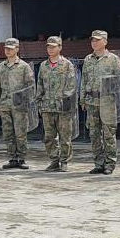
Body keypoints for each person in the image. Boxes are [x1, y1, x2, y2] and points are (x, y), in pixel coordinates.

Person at [81, 30, 120, 175]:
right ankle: (98, 163)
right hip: (92, 101)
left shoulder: (113, 59)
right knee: (94, 134)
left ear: (105, 42)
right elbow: (84, 80)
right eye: (93, 40)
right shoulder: (88, 59)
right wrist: (83, 99)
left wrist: (117, 100)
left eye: (97, 40)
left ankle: (110, 163)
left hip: (107, 102)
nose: (94, 43)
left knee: (108, 134)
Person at [36, 36, 78, 172]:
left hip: (63, 107)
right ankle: (54, 160)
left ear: (60, 47)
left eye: (53, 47)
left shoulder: (67, 64)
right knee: (49, 137)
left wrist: (64, 100)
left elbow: (71, 85)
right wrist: (39, 102)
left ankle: (64, 160)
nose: (50, 49)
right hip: (47, 106)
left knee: (65, 136)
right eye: (48, 47)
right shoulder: (43, 65)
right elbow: (40, 85)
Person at [0, 38, 36, 169]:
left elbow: (31, 86)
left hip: (19, 105)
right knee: (8, 133)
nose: (8, 51)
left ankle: (22, 158)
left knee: (20, 133)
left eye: (10, 49)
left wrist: (27, 104)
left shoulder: (24, 66)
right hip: (5, 104)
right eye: (6, 48)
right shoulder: (1, 66)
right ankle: (12, 158)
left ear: (17, 49)